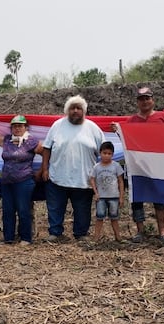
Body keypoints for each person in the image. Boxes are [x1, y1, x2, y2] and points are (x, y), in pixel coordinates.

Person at [111, 87, 164, 243]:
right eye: (141, 99)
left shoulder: (162, 117)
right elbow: (126, 140)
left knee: (159, 198)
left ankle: (162, 231)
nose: (145, 102)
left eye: (147, 98)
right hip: (137, 165)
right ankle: (140, 231)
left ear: (152, 100)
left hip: (158, 164)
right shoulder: (131, 121)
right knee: (137, 198)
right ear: (137, 102)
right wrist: (118, 130)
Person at [40, 95, 104, 243]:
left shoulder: (93, 128)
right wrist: (44, 169)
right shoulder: (57, 125)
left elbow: (105, 150)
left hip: (84, 179)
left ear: (84, 111)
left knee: (82, 209)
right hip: (57, 177)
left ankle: (81, 233)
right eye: (72, 108)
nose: (75, 111)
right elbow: (46, 148)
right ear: (67, 110)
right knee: (55, 208)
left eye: (78, 108)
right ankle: (55, 233)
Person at [0, 115, 43, 245]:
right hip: (7, 181)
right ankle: (8, 238)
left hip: (24, 181)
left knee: (23, 209)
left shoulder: (31, 141)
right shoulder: (7, 140)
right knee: (8, 210)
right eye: (14, 126)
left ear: (26, 127)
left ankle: (26, 238)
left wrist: (42, 170)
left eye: (20, 126)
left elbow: (47, 153)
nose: (17, 128)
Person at [90, 141, 125, 242]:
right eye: (104, 153)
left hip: (114, 196)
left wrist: (121, 197)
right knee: (99, 217)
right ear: (100, 153)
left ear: (112, 154)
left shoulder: (116, 166)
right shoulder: (96, 167)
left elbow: (120, 181)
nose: (106, 156)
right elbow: (92, 179)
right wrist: (95, 192)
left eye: (109, 154)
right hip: (101, 197)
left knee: (114, 217)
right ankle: (96, 238)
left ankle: (118, 237)